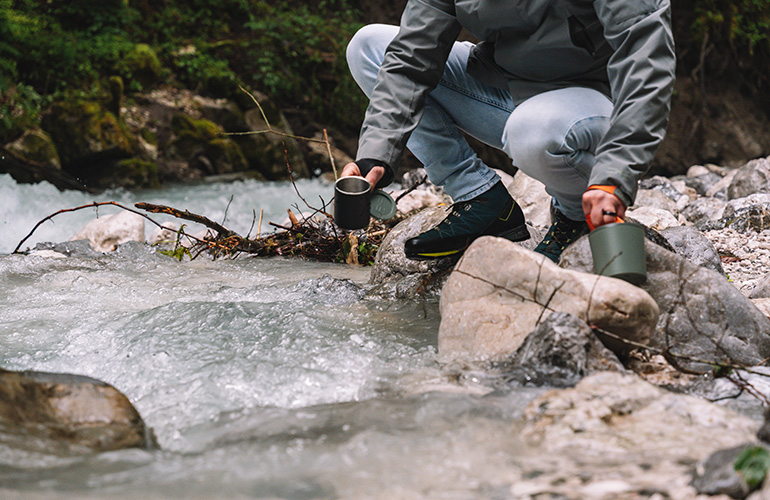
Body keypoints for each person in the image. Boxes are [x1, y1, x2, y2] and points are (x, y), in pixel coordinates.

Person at [341, 0, 675, 262]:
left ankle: (574, 217)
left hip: (595, 103)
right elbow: (409, 61)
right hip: (507, 88)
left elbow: (646, 66)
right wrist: (375, 156)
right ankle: (481, 199)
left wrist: (615, 173)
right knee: (369, 47)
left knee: (531, 128)